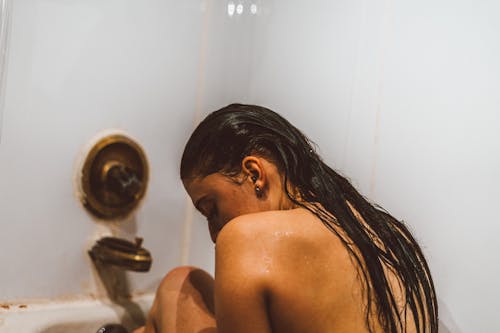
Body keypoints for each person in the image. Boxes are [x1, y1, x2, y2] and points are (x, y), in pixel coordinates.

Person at [133, 104, 438, 333]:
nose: (214, 233)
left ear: (255, 174)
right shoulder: (389, 233)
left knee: (179, 285)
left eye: (211, 209)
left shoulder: (246, 237)